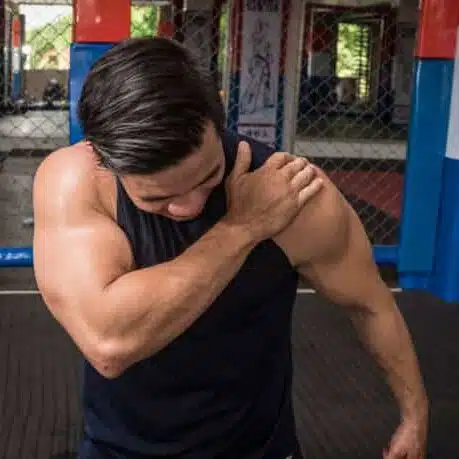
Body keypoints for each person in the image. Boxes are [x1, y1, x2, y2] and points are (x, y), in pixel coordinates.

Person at [33, 37, 428, 459]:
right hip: (118, 450)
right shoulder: (76, 183)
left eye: (207, 178)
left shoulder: (297, 197)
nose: (189, 207)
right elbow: (110, 345)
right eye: (157, 199)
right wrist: (243, 227)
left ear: (217, 119)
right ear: (103, 160)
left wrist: (415, 413)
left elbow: (370, 303)